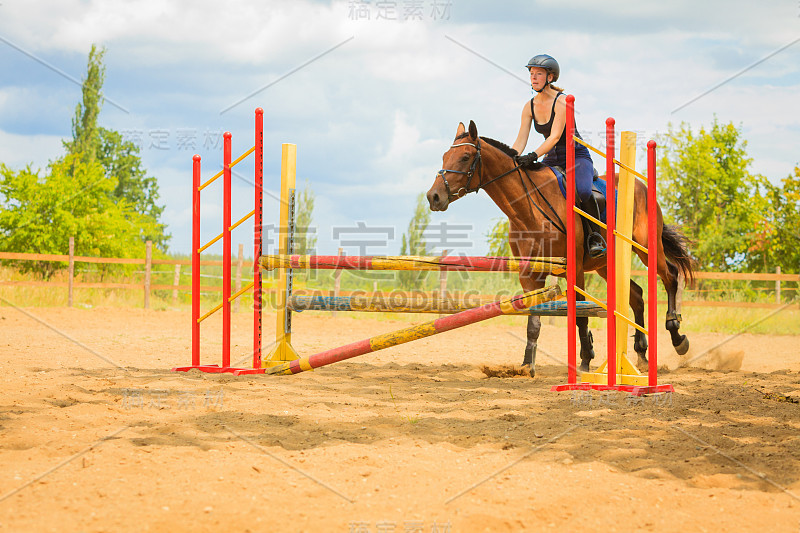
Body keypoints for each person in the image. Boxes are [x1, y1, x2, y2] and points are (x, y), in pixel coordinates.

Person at [511, 54, 606, 258]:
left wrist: (533, 155)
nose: (533, 77)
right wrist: (511, 159)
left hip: (575, 156)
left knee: (582, 191)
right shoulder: (529, 106)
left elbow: (554, 137)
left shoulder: (562, 101)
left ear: (551, 77)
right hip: (551, 158)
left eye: (538, 74)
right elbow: (520, 140)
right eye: (531, 74)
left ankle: (595, 237)